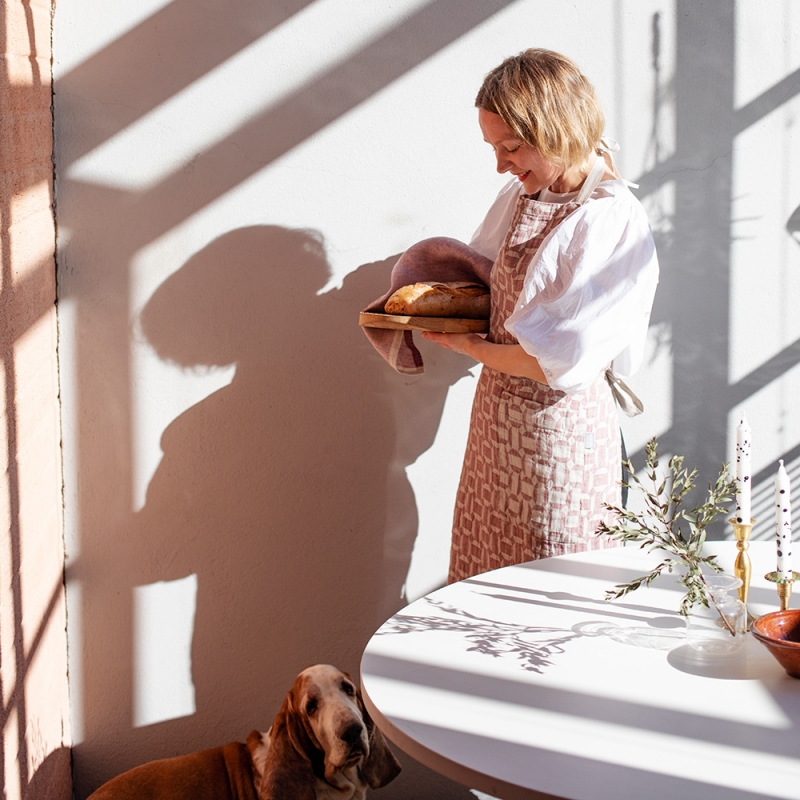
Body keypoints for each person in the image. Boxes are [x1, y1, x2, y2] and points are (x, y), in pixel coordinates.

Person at [420, 49, 659, 583]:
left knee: (546, 582)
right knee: (485, 573)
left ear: (558, 130)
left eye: (510, 147)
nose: (500, 164)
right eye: (494, 148)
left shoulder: (610, 219)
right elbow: (486, 279)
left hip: (558, 435)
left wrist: (471, 348)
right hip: (495, 422)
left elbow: (558, 365)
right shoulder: (524, 194)